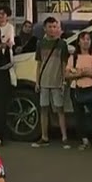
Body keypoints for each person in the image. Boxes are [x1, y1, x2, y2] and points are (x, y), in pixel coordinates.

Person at [33, 16, 71, 148]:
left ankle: (64, 137)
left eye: (55, 26)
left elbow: (63, 64)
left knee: (60, 109)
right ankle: (44, 137)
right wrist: (37, 81)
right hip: (43, 82)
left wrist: (62, 81)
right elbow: (39, 64)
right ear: (45, 28)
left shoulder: (62, 44)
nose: (52, 29)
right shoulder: (40, 43)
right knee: (43, 109)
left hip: (56, 82)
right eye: (50, 26)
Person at [66, 31, 92, 149]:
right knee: (79, 117)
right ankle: (84, 140)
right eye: (83, 39)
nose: (86, 42)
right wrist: (82, 73)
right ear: (79, 42)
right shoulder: (73, 57)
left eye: (88, 39)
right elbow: (67, 74)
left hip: (91, 89)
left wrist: (83, 72)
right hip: (76, 90)